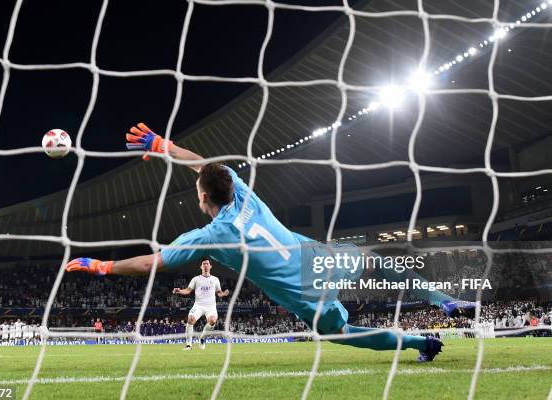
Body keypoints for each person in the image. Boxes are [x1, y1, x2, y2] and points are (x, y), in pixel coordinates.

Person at [66, 122, 473, 361]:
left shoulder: (211, 236)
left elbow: (149, 263)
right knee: (375, 261)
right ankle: (444, 301)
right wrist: (164, 146)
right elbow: (203, 167)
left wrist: (102, 267)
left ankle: (423, 342)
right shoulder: (243, 192)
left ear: (202, 197)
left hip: (306, 296)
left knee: (342, 331)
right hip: (319, 260)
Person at [172, 258, 229, 350]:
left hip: (211, 307)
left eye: (207, 264)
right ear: (201, 266)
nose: (205, 265)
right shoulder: (196, 279)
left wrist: (224, 294)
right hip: (198, 305)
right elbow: (188, 290)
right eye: (204, 264)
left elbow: (219, 293)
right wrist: (179, 291)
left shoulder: (215, 279)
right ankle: (188, 345)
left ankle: (202, 338)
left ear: (210, 266)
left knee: (213, 321)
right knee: (190, 320)